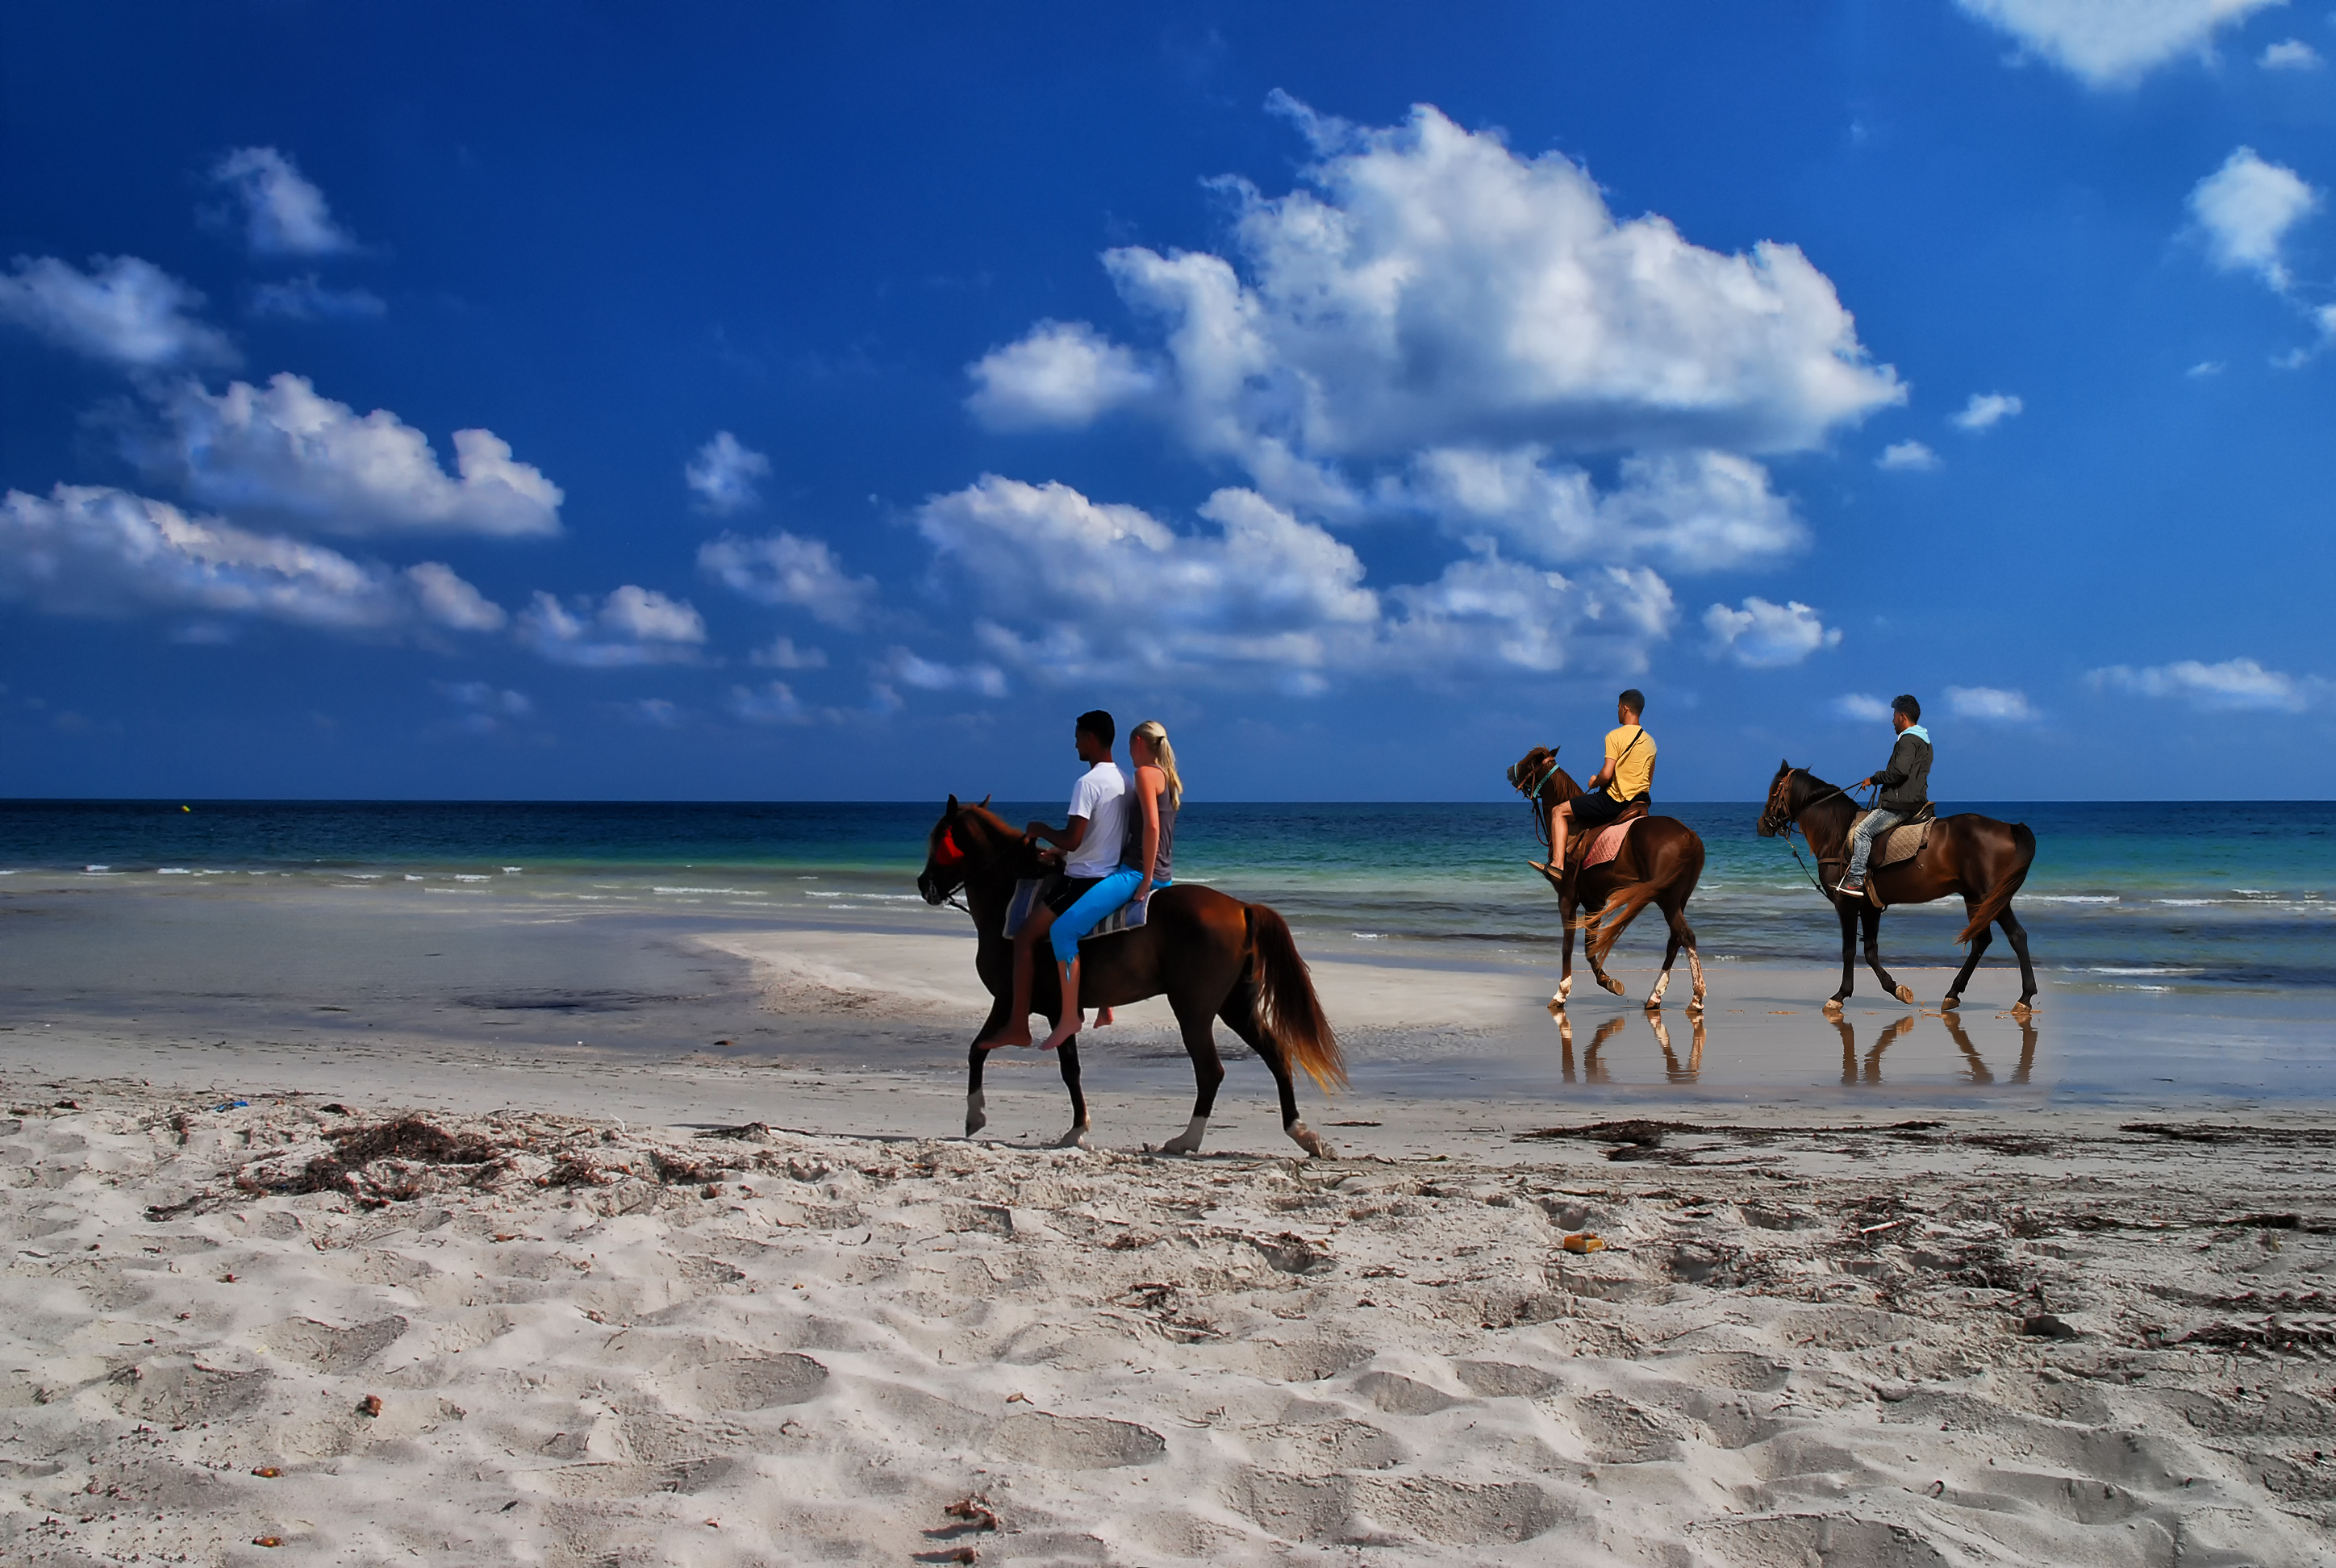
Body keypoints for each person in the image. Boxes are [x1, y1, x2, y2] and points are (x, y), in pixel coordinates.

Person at [978, 709, 1127, 1049]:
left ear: (1091, 737)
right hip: (1107, 873)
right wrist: (1059, 855)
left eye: (1077, 737)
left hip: (1083, 880)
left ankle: (1018, 1025)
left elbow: (1073, 838)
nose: (1074, 744)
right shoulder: (1123, 780)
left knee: (1026, 935)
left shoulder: (1086, 784)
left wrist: (1040, 830)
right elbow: (1102, 837)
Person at [1037, 719, 1180, 1053]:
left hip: (1135, 873)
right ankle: (1105, 1006)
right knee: (1099, 922)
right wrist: (1060, 850)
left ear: (1139, 744)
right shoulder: (1170, 778)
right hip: (1164, 873)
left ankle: (1070, 1016)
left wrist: (1143, 880)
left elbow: (1152, 830)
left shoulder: (1144, 775)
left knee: (1063, 932)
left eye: (1131, 747)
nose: (1129, 754)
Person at [1549, 689, 1655, 875]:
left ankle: (1557, 864)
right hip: (1641, 803)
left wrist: (1593, 782)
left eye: (1618, 708)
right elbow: (1649, 780)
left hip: (1615, 802)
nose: (1617, 712)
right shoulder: (1650, 742)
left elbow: (1606, 775)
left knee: (1558, 811)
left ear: (1625, 708)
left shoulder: (1614, 736)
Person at [1836, 694, 1931, 898]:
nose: (1893, 721)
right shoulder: (1924, 741)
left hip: (1900, 805)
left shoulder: (1908, 740)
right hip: (1915, 801)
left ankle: (1856, 880)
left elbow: (1900, 772)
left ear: (1903, 717)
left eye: (1894, 716)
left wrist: (1874, 778)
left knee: (1862, 831)